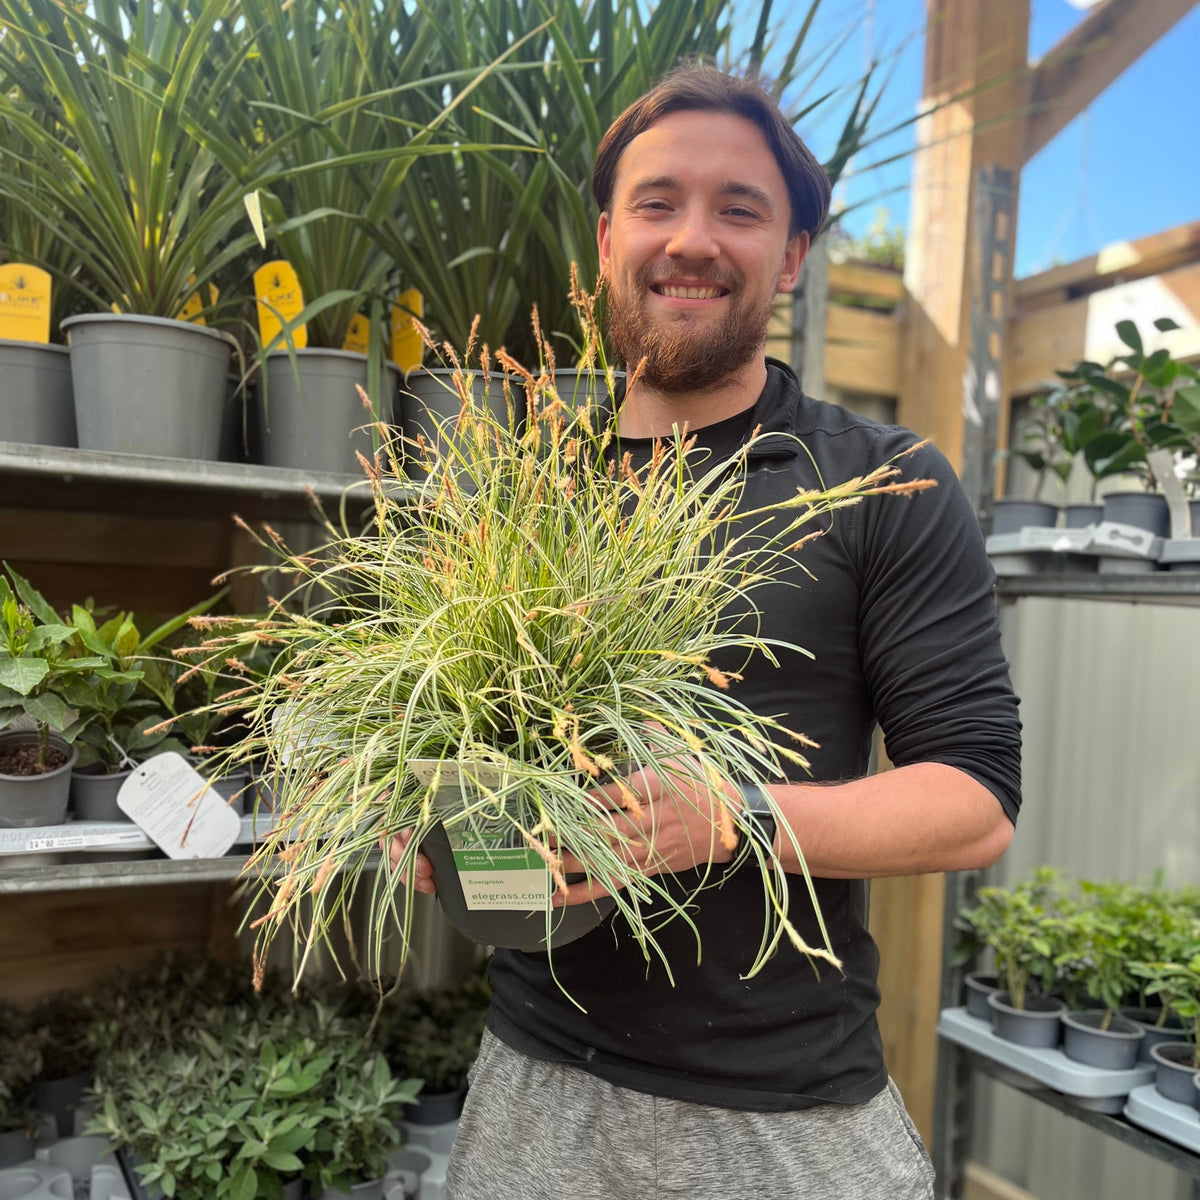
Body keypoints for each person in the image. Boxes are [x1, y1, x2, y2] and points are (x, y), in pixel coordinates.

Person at [389, 65, 1021, 1200]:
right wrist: (428, 826)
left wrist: (730, 817)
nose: (692, 239)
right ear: (605, 240)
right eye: (657, 202)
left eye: (739, 208)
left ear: (790, 257)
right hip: (535, 1093)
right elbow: (460, 756)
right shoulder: (523, 493)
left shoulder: (879, 484)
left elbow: (974, 802)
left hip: (781, 1115)